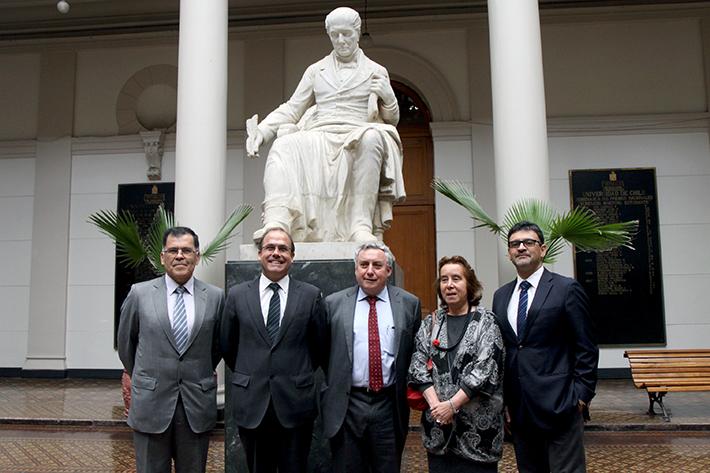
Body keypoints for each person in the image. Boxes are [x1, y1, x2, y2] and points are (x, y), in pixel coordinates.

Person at [246, 6, 405, 243]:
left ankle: (359, 225)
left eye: (346, 34)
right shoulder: (315, 71)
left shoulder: (375, 70)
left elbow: (390, 118)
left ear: (357, 33)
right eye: (335, 35)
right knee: (284, 145)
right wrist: (263, 131)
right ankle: (277, 221)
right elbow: (293, 108)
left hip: (357, 130)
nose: (341, 41)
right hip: (320, 132)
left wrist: (389, 97)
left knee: (373, 137)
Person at [492, 221, 599, 473]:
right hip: (520, 410)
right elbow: (507, 350)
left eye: (528, 242)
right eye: (515, 244)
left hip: (561, 405)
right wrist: (505, 402)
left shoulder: (566, 288)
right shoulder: (501, 296)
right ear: (509, 252)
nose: (521, 248)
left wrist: (581, 397)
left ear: (543, 249)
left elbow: (586, 346)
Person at [117, 227, 224, 473]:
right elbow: (126, 344)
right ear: (162, 257)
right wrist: (146, 376)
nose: (179, 256)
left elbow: (217, 346)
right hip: (151, 404)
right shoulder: (139, 294)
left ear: (197, 256)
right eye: (173, 250)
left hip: (195, 406)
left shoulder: (216, 297)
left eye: (186, 250)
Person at [220, 228, 326, 473]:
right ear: (259, 254)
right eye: (270, 248)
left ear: (292, 256)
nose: (276, 253)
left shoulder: (310, 296)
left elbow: (319, 347)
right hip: (252, 401)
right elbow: (228, 345)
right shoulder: (237, 295)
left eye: (283, 249)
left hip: (295, 402)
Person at [321, 241, 421, 473]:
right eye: (363, 264)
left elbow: (413, 352)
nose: (370, 271)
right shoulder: (333, 304)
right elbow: (322, 351)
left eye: (377, 265)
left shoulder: (408, 304)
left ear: (388, 270)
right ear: (355, 269)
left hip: (389, 403)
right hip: (347, 405)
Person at [408, 256, 505, 473]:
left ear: (469, 284)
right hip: (439, 432)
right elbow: (418, 366)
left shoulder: (486, 322)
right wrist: (437, 407)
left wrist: (451, 405)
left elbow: (485, 371)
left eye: (456, 278)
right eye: (444, 279)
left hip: (479, 436)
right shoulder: (431, 322)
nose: (449, 285)